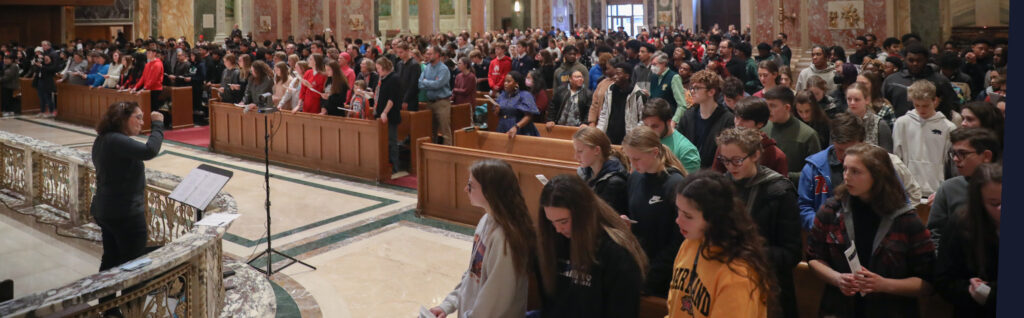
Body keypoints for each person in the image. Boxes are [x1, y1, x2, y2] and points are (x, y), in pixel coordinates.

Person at [806, 143, 935, 317]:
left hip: (890, 309)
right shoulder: (832, 210)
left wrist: (883, 284)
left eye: (855, 172)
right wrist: (837, 278)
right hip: (840, 307)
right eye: (845, 169)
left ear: (877, 176)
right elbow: (814, 258)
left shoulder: (905, 220)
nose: (846, 177)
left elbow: (927, 282)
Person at [428, 160, 536, 318]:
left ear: (489, 191)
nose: (466, 189)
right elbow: (473, 273)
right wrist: (447, 305)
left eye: (471, 185)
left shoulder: (505, 239)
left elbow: (495, 300)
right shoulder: (486, 220)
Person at [533, 174, 647, 318]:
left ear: (584, 214)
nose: (557, 229)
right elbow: (550, 305)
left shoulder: (616, 253)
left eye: (563, 221)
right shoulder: (551, 239)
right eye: (551, 222)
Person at [715, 127, 800, 317]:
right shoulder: (721, 187)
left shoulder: (779, 192)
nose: (730, 167)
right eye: (725, 160)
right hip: (729, 284)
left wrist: (744, 250)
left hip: (769, 289)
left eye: (737, 160)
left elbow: (791, 254)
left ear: (755, 155)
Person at [667, 170, 775, 318]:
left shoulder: (738, 274)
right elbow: (674, 308)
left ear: (714, 220)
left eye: (688, 216)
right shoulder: (690, 243)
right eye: (679, 211)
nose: (678, 221)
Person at [90, 102, 165, 315]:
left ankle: (109, 309)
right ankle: (132, 311)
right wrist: (158, 125)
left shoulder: (103, 139)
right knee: (134, 264)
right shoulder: (116, 140)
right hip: (125, 213)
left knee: (111, 259)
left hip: (107, 209)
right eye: (138, 118)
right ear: (123, 119)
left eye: (144, 118)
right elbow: (149, 150)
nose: (142, 123)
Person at [797, 113, 921, 230]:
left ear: (862, 142)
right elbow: (804, 207)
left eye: (850, 149)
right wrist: (822, 226)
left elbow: (901, 203)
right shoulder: (814, 167)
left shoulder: (881, 164)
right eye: (839, 149)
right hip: (828, 237)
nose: (844, 156)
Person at [622, 126, 687, 297]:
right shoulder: (635, 177)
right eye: (629, 159)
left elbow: (679, 240)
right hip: (639, 264)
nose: (633, 165)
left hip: (663, 274)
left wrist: (651, 276)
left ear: (654, 152)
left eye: (637, 159)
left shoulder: (675, 183)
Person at [934, 163, 1001, 318]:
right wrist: (969, 290)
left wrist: (992, 293)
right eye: (994, 203)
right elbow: (943, 280)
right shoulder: (960, 224)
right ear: (979, 202)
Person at [926, 128, 1000, 248]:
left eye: (962, 153)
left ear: (986, 156)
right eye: (954, 154)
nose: (955, 159)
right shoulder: (948, 188)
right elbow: (935, 234)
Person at [892, 80, 956, 198]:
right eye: (917, 105)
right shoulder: (902, 123)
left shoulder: (948, 127)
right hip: (908, 190)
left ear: (935, 101)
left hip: (936, 190)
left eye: (926, 105)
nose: (921, 110)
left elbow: (951, 164)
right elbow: (897, 157)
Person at [712, 97, 788, 176]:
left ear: (760, 123)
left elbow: (781, 184)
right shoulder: (726, 145)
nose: (738, 124)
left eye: (745, 120)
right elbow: (715, 178)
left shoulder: (775, 155)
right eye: (737, 118)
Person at [882, 43, 960, 118]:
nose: (915, 63)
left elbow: (952, 105)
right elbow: (883, 105)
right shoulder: (892, 81)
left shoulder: (940, 81)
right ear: (905, 59)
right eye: (911, 60)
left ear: (926, 60)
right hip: (899, 126)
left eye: (919, 60)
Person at [762, 86, 822, 183]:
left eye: (772, 106)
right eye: (767, 105)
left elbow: (815, 171)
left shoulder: (808, 135)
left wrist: (785, 175)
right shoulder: (762, 128)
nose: (768, 110)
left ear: (787, 107)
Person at [678, 69, 734, 168]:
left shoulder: (728, 119)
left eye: (697, 88)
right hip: (687, 169)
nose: (692, 91)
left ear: (711, 92)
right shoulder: (687, 116)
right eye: (691, 88)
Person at [572, 127, 629, 214]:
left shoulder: (614, 183)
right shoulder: (584, 173)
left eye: (580, 151)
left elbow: (605, 218)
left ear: (597, 150)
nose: (576, 157)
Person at [641, 98, 701, 174]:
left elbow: (689, 184)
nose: (649, 131)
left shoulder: (686, 151)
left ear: (669, 122)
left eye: (655, 126)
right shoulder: (645, 140)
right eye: (646, 125)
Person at [596, 63, 648, 144]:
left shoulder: (638, 94)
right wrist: (599, 132)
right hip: (610, 136)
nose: (615, 77)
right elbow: (604, 113)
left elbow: (643, 120)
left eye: (618, 74)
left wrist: (634, 136)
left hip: (629, 138)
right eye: (614, 74)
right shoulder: (610, 90)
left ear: (627, 76)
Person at [419, 46, 454, 144]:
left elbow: (438, 85)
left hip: (441, 102)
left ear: (437, 55)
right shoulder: (427, 68)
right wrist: (431, 82)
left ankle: (447, 156)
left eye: (430, 54)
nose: (427, 56)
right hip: (429, 102)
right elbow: (420, 83)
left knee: (445, 130)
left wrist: (427, 82)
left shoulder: (443, 69)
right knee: (430, 131)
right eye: (427, 54)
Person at [374, 57, 403, 173]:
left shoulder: (394, 79)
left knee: (392, 141)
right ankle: (385, 165)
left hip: (390, 115)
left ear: (385, 68)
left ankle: (395, 166)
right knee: (383, 141)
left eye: (379, 69)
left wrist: (384, 112)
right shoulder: (383, 78)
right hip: (380, 114)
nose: (378, 71)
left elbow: (392, 99)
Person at [846, 83, 893, 152]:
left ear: (867, 100)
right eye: (849, 99)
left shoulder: (880, 125)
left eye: (857, 99)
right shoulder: (840, 123)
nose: (852, 103)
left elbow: (887, 155)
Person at [492, 71, 540, 137]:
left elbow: (529, 116)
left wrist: (516, 127)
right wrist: (496, 111)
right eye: (505, 81)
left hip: (520, 129)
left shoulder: (525, 95)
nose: (505, 84)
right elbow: (497, 114)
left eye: (508, 82)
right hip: (503, 127)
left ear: (516, 84)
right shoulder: (502, 95)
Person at [131, 49, 165, 119]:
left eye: (149, 53)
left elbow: (153, 79)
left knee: (153, 108)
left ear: (154, 53)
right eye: (147, 53)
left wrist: (144, 88)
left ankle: (156, 122)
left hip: (155, 89)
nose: (147, 54)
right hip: (148, 89)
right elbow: (143, 77)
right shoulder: (147, 64)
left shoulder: (158, 64)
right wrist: (135, 87)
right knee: (147, 107)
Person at [394, 42, 421, 111]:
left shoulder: (414, 65)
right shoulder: (399, 64)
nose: (399, 54)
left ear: (407, 51)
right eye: (398, 52)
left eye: (401, 52)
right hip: (400, 98)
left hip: (410, 99)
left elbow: (414, 85)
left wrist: (405, 100)